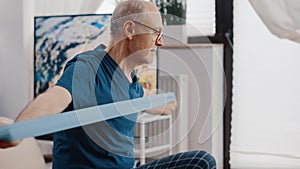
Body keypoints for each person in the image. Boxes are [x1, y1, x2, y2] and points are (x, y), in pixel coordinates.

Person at [0, 0, 216, 168]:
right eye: (155, 33)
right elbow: (56, 97)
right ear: (130, 29)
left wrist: (166, 103)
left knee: (201, 161)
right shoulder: (87, 67)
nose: (160, 42)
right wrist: (18, 130)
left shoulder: (131, 82)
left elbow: (145, 100)